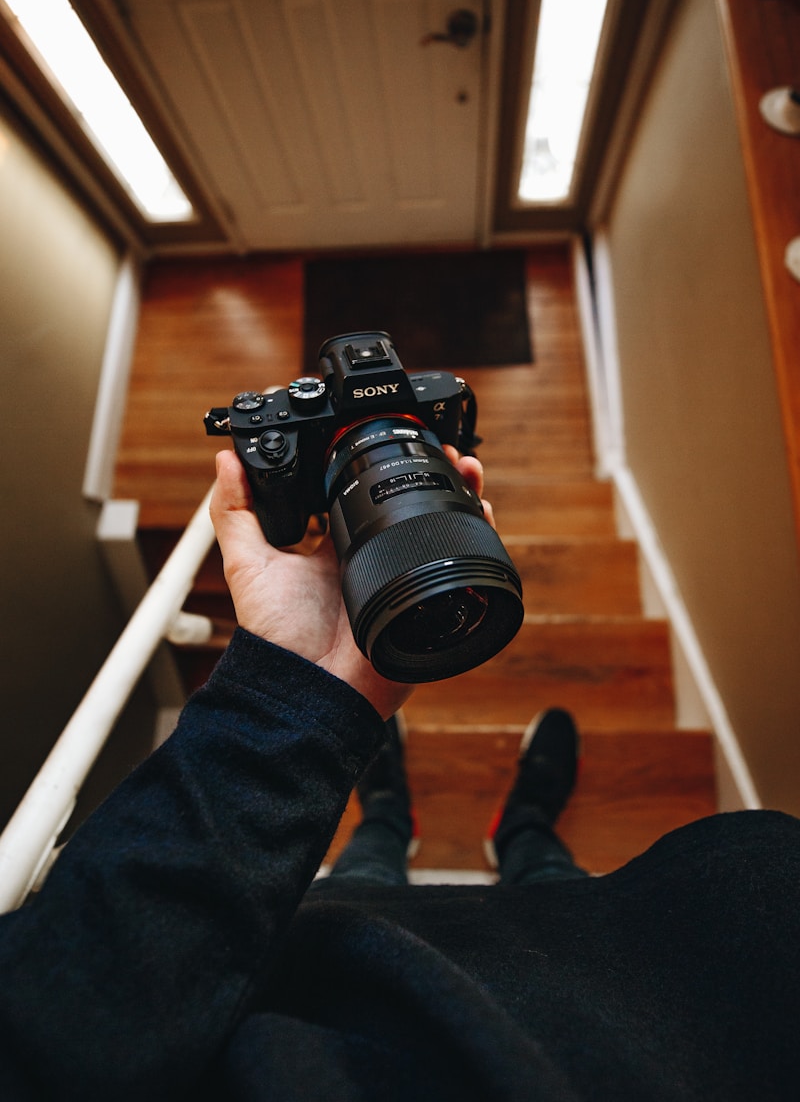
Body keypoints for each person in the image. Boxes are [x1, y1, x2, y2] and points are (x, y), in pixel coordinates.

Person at [0, 447, 799, 1100]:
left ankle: (386, 816)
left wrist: (303, 708)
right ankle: (523, 831)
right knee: (555, 880)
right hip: (630, 967)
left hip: (346, 950)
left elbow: (67, 1009)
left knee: (366, 868)